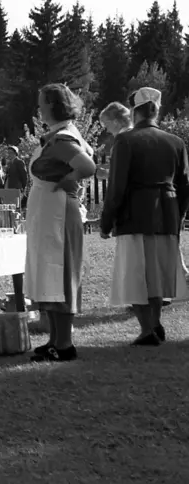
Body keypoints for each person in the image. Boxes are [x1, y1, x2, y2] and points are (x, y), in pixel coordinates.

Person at [99, 87, 189, 346]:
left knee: (136, 273)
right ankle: (155, 323)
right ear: (157, 110)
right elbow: (185, 186)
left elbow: (117, 187)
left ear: (134, 111)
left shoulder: (126, 141)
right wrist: (178, 218)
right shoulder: (176, 142)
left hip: (136, 212)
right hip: (167, 213)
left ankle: (147, 328)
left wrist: (107, 221)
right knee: (158, 274)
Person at [24, 83, 98, 362]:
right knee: (48, 271)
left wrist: (68, 181)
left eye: (42, 103)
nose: (39, 108)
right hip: (47, 211)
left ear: (53, 106)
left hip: (57, 212)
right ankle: (55, 339)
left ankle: (65, 344)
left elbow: (87, 167)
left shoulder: (62, 139)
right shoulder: (57, 136)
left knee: (59, 270)